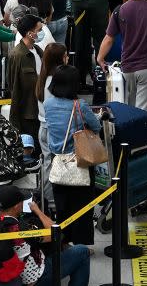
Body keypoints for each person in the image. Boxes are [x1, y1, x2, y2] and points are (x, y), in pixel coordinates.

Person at [0, 184, 91, 286]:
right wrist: (38, 211)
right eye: (21, 201)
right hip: (34, 279)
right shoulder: (20, 228)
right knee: (82, 251)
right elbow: (57, 235)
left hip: (7, 275)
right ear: (16, 206)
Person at [43, 65, 100, 245]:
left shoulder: (48, 104)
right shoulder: (79, 105)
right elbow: (96, 127)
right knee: (83, 207)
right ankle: (82, 244)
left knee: (63, 207)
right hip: (79, 160)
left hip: (57, 161)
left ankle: (64, 241)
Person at [8, 14, 45, 136]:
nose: (41, 33)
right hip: (28, 113)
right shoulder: (18, 55)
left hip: (42, 109)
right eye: (39, 30)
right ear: (30, 33)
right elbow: (13, 86)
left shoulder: (38, 51)